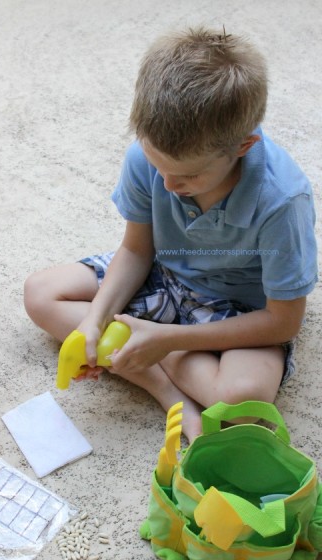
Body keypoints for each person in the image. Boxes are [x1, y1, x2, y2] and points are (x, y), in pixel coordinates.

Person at [24, 27, 318, 442]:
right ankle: (168, 393)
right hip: (162, 275)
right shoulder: (149, 156)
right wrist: (95, 319)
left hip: (236, 306)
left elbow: (283, 321)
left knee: (242, 402)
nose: (166, 184)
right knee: (40, 294)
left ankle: (143, 348)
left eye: (188, 176)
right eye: (155, 163)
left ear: (244, 146)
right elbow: (137, 250)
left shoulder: (283, 202)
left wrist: (168, 340)